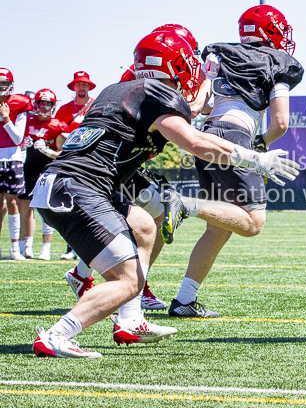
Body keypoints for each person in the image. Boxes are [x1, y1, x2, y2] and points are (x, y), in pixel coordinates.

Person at [30, 31, 299, 358]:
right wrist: (256, 157)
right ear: (181, 64)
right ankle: (59, 334)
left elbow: (182, 111)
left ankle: (130, 320)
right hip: (80, 189)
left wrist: (202, 92)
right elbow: (196, 141)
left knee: (144, 225)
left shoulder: (118, 90)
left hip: (61, 184)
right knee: (128, 280)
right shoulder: (159, 96)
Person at [162, 4, 303, 318]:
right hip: (236, 135)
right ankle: (184, 204)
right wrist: (260, 147)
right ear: (272, 31)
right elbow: (281, 122)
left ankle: (185, 300)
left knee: (219, 228)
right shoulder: (277, 63)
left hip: (208, 133)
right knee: (253, 222)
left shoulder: (221, 56)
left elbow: (198, 106)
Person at [63, 24, 202, 310]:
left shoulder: (138, 76)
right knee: (146, 216)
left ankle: (86, 275)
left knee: (142, 216)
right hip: (114, 161)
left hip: (122, 159)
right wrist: (210, 81)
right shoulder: (148, 83)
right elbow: (190, 110)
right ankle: (135, 287)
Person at [17, 89, 69, 260]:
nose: (44, 107)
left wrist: (47, 151)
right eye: (41, 103)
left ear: (54, 106)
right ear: (36, 104)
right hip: (30, 168)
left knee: (48, 208)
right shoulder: (27, 120)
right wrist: (21, 145)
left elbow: (64, 153)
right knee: (25, 208)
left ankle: (46, 248)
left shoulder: (58, 125)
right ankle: (26, 246)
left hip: (49, 169)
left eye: (48, 103)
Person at [55, 70, 97, 260]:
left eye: (85, 84)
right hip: (71, 161)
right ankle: (72, 248)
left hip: (94, 159)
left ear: (89, 86)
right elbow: (57, 137)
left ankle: (94, 246)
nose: (82, 87)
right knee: (71, 203)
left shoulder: (97, 105)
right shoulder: (64, 110)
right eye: (79, 84)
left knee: (93, 202)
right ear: (74, 87)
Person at [0, 68, 32, 261]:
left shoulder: (18, 105)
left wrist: (6, 117)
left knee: (13, 203)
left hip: (12, 159)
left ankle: (14, 249)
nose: (1, 87)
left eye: (4, 83)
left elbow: (17, 137)